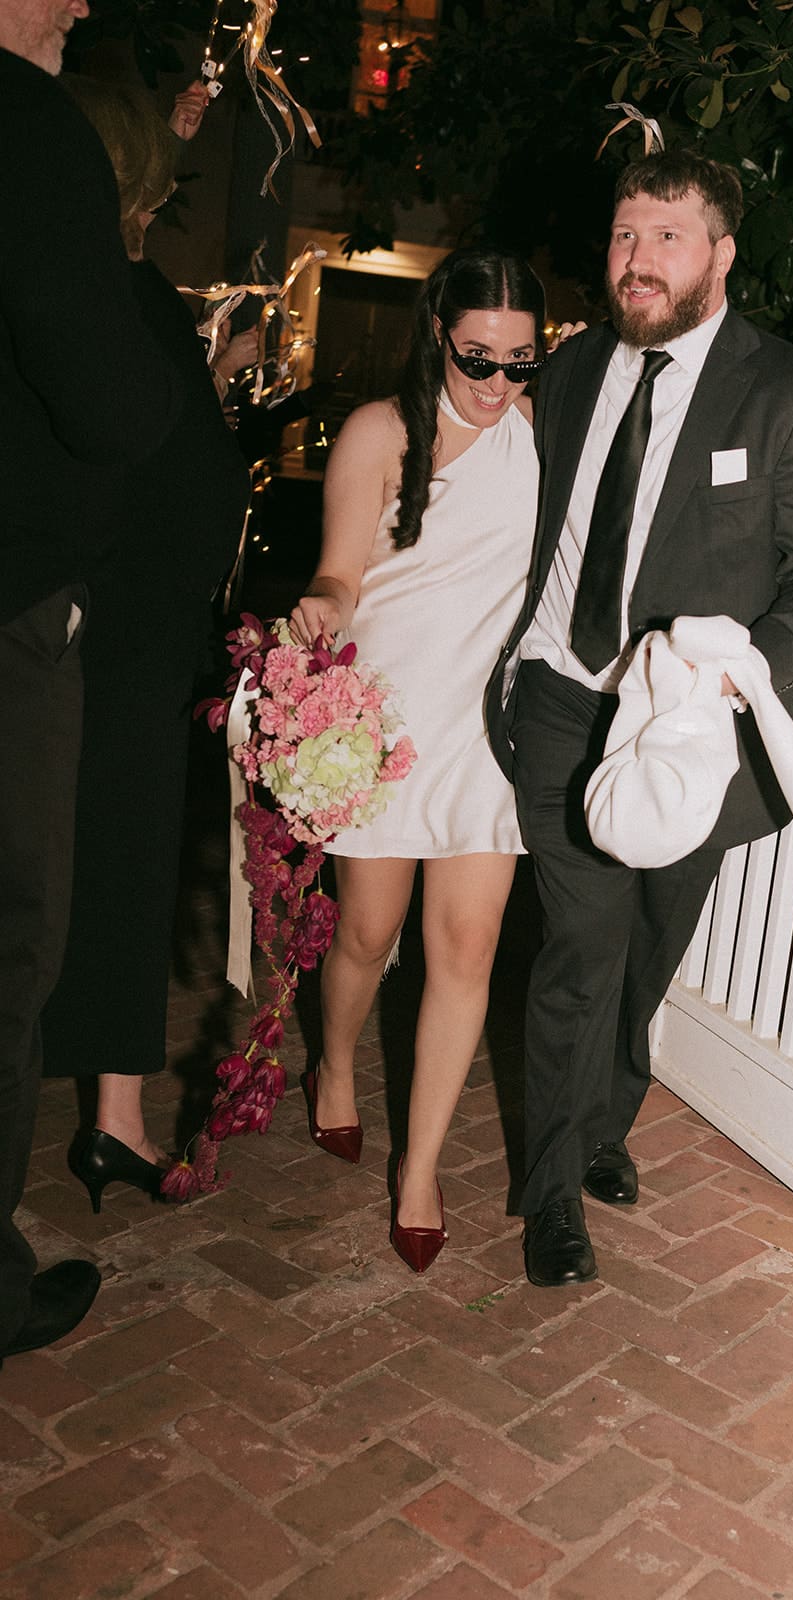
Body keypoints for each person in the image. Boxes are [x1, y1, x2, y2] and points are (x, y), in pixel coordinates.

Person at [486, 147, 793, 1288]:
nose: (637, 260)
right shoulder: (569, 370)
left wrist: (737, 677)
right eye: (624, 234)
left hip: (688, 727)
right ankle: (553, 1190)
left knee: (652, 937)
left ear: (721, 254)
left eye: (666, 237)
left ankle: (606, 1115)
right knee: (581, 943)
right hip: (564, 694)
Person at [289, 249, 546, 1274]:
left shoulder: (543, 436)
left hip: (487, 730)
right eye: (478, 357)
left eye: (520, 362)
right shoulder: (381, 430)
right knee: (367, 930)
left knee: (468, 946)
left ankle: (422, 1167)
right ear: (440, 333)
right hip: (385, 723)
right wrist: (320, 604)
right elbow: (340, 572)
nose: (497, 382)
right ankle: (333, 1063)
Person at [0, 0, 182, 1363]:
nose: (76, 5)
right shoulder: (26, 120)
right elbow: (109, 399)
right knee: (11, 937)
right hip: (9, 605)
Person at [39, 76, 250, 1211]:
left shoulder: (92, 290)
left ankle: (110, 1117)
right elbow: (163, 461)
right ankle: (108, 1120)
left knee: (84, 868)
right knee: (108, 869)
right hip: (119, 633)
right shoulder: (121, 294)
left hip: (105, 625)